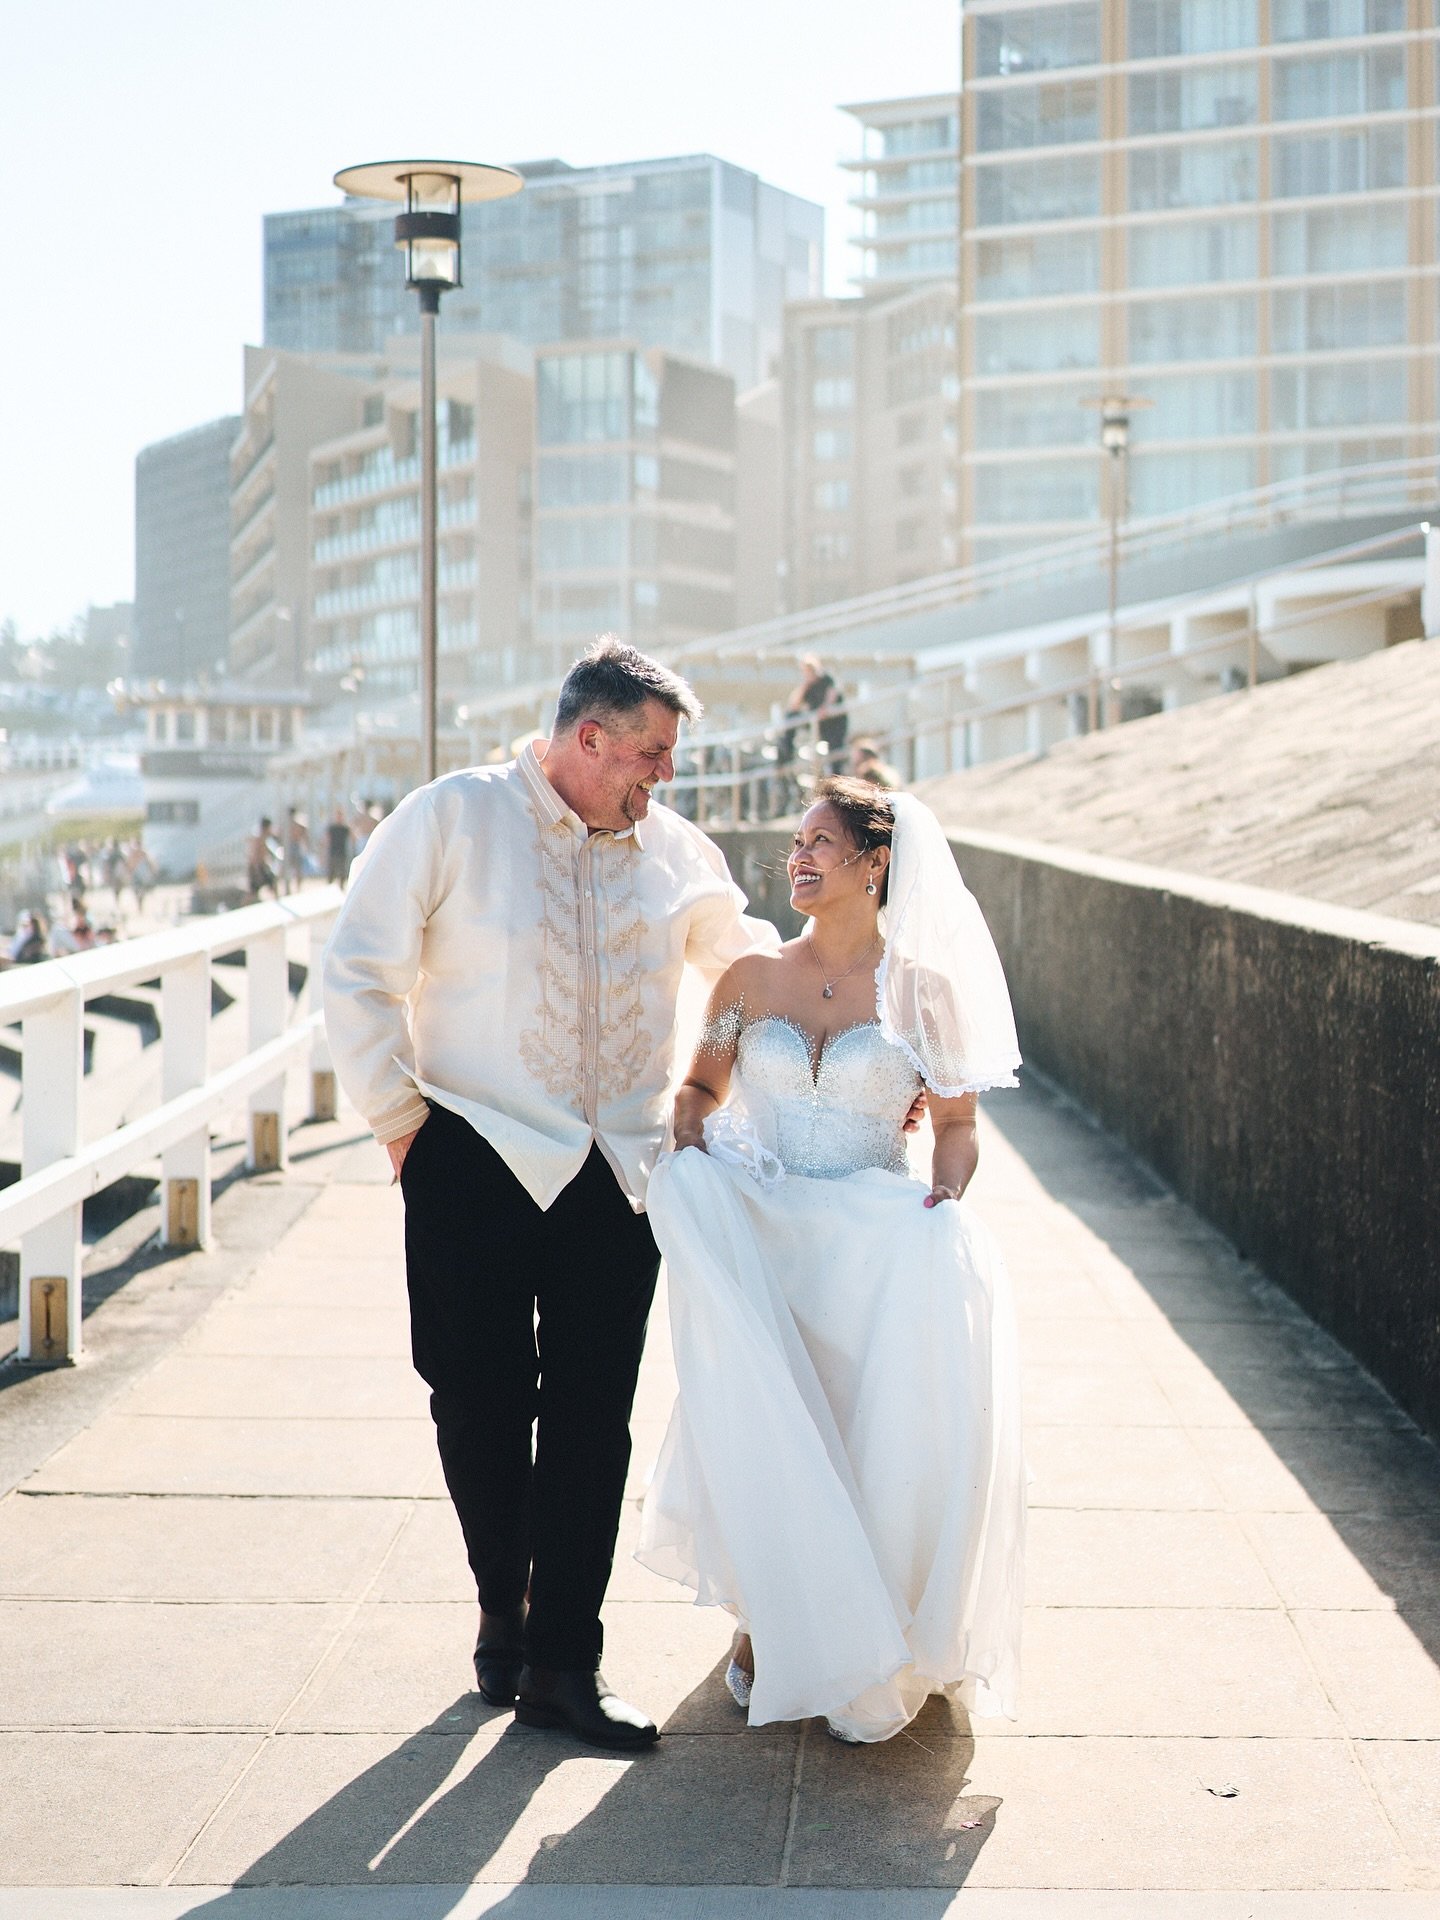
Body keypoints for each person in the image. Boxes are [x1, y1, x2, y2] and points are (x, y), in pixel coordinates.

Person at [322, 640, 785, 1752]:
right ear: (590, 738)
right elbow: (358, 970)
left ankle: (566, 1666)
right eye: (652, 753)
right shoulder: (451, 816)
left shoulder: (679, 853)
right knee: (475, 1404)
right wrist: (403, 1129)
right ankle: (507, 1605)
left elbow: (747, 971)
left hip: (619, 1176)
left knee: (592, 1423)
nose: (665, 775)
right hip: (470, 1153)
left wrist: (857, 1029)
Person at [638, 777, 1026, 1744]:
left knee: (864, 1436)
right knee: (770, 1423)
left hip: (874, 1247)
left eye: (821, 842)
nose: (800, 857)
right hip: (766, 1231)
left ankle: (873, 1626)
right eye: (797, 843)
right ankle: (765, 1620)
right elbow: (698, 1087)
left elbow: (958, 1124)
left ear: (875, 863)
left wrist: (946, 1196)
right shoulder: (748, 980)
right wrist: (692, 1143)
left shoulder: (922, 995)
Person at [282, 807, 310, 895]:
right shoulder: (290, 823)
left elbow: (304, 833)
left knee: (297, 868)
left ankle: (297, 887)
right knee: (291, 868)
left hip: (294, 845)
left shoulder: (295, 823)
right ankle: (291, 887)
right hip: (290, 846)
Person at [324, 808, 353, 888]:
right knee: (331, 873)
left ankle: (341, 887)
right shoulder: (332, 828)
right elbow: (327, 840)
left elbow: (353, 838)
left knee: (342, 873)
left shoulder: (345, 828)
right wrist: (324, 853)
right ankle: (329, 888)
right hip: (333, 852)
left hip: (342, 853)